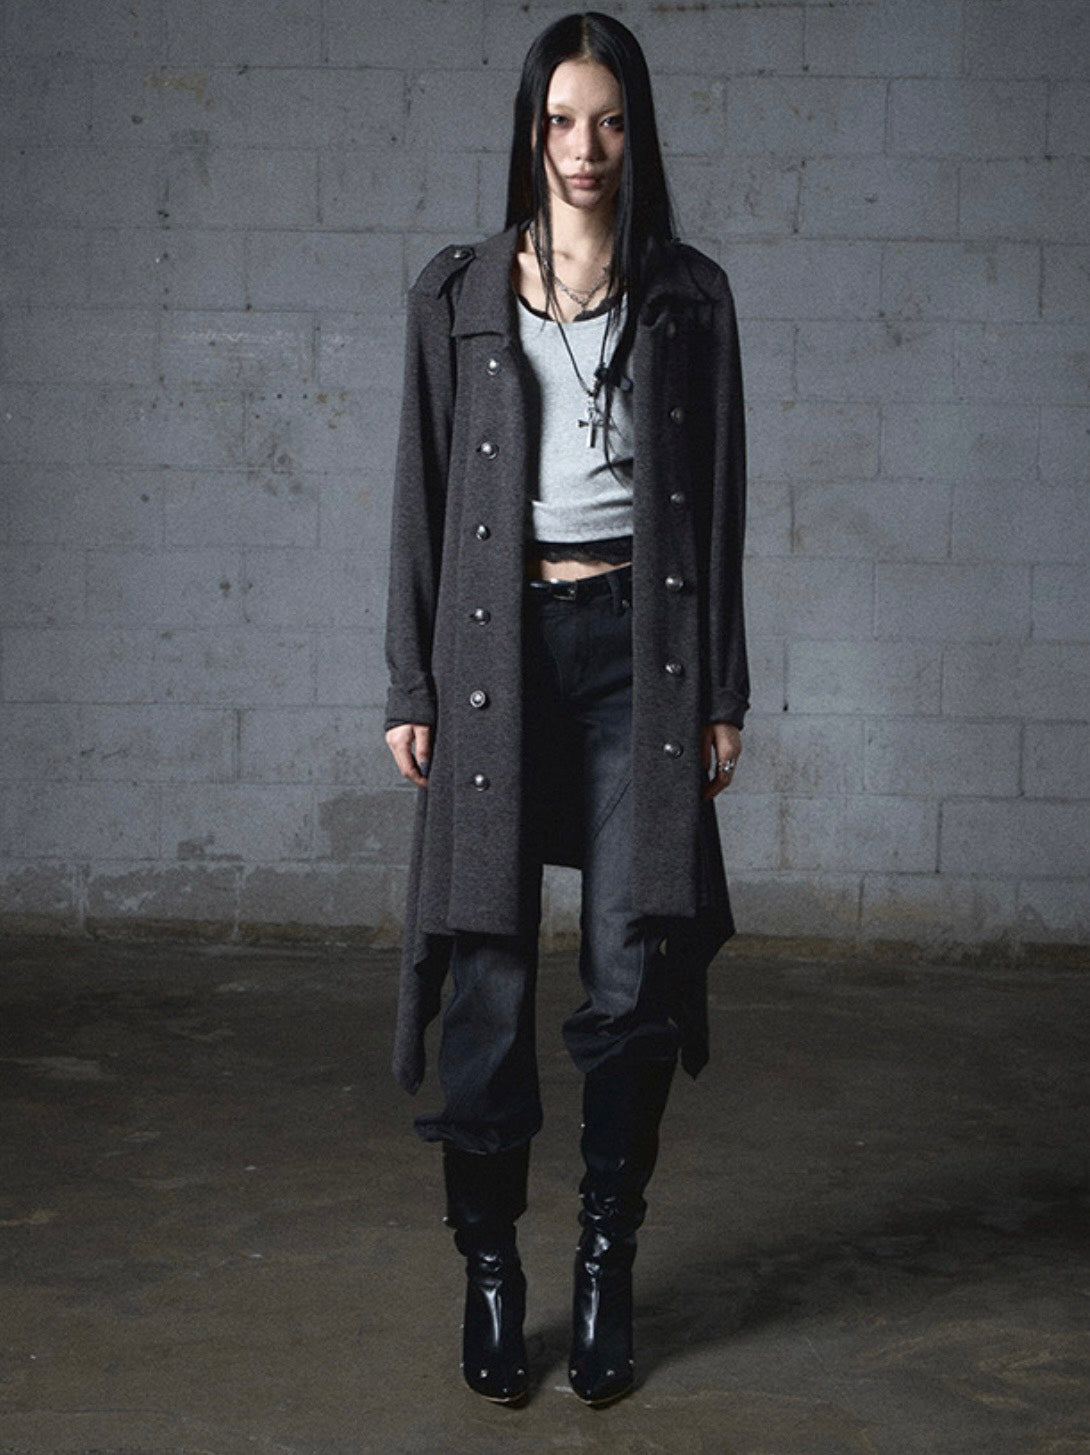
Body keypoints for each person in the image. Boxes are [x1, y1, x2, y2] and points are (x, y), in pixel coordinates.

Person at [383, 11, 748, 1407]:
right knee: (486, 979)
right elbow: (419, 491)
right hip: (496, 653)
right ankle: (490, 1272)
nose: (582, 149)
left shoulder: (689, 296)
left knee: (630, 972)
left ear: (635, 131)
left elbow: (718, 503)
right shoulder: (461, 290)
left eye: (606, 120)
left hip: (636, 659)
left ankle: (606, 1259)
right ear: (528, 131)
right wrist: (410, 680)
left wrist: (721, 688)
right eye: (558, 121)